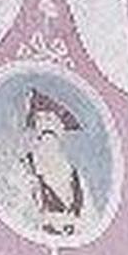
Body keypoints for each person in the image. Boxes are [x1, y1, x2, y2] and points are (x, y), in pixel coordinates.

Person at [21, 89, 87, 234]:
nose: (46, 123)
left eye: (52, 119)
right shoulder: (24, 168)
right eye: (40, 120)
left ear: (62, 129)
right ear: (35, 128)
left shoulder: (75, 175)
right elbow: (19, 212)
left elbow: (89, 220)